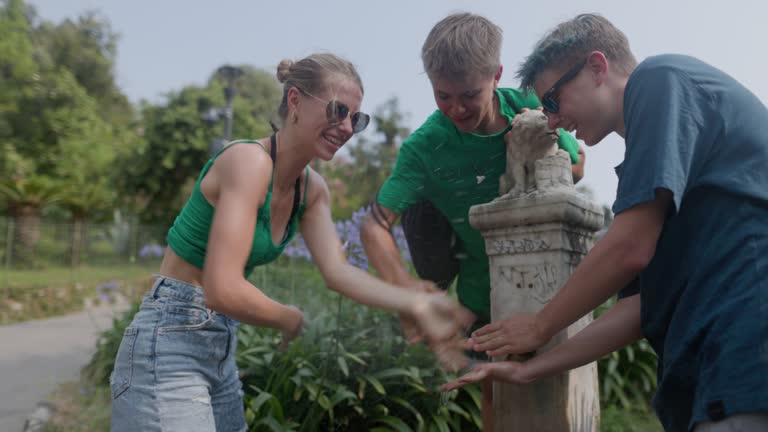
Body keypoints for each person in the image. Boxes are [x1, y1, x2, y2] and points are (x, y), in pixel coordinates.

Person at [109, 53, 469, 432]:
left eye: (356, 118)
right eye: (337, 110)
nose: (346, 127)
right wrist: (289, 317)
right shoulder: (248, 161)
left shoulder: (312, 190)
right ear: (295, 101)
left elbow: (338, 272)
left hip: (218, 346)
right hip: (168, 339)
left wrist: (416, 302)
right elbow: (222, 289)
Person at [443, 13, 768, 432]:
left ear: (598, 67)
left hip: (748, 342)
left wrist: (540, 325)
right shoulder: (651, 170)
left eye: (554, 102)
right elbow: (636, 309)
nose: (553, 121)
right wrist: (531, 370)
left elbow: (629, 249)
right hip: (717, 369)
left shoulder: (659, 79)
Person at [360, 13, 585, 432]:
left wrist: (534, 142)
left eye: (468, 94)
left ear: (496, 75)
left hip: (551, 286)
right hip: (483, 302)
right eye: (442, 95)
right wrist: (412, 295)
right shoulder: (426, 147)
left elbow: (578, 166)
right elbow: (374, 225)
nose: (456, 108)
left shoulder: (529, 104)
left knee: (561, 404)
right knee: (498, 406)